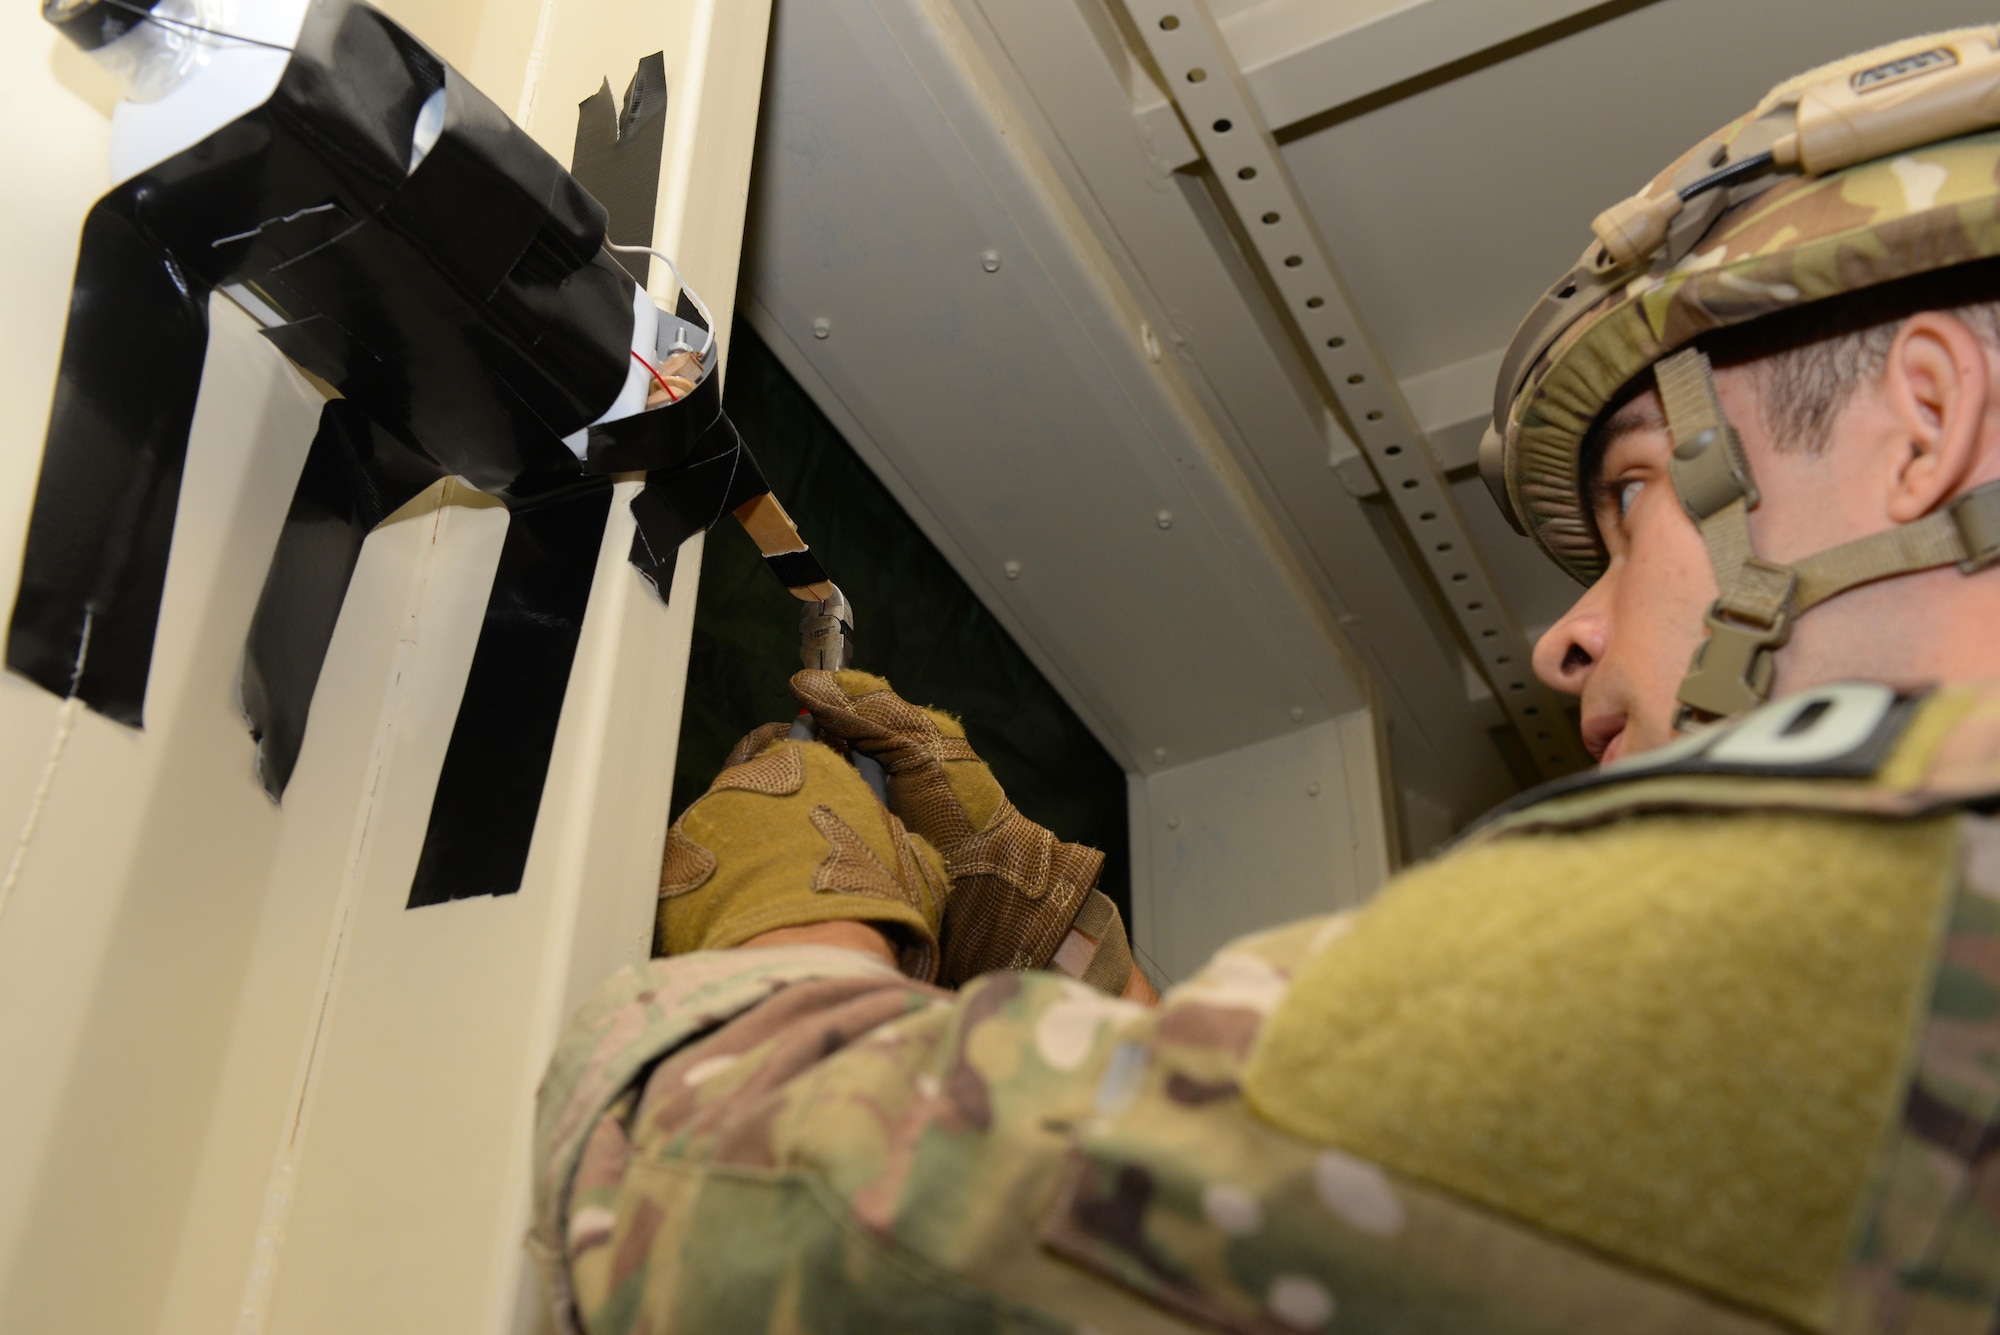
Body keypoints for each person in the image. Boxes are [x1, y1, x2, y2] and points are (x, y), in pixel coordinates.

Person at [531, 28, 2000, 1334]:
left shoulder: (1863, 914)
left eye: (1627, 498)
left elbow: (742, 1220)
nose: (1566, 641)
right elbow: (1260, 1245)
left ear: (1925, 420)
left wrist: (797, 930)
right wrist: (1030, 918)